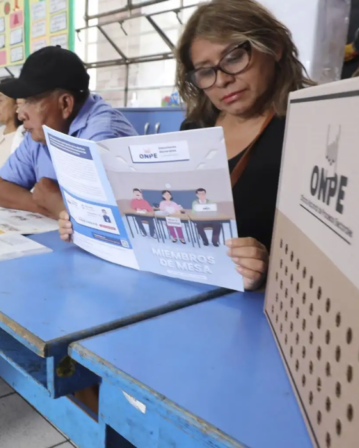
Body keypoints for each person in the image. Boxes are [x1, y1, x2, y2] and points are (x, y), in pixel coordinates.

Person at [60, 0, 313, 291]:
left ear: (274, 47)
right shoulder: (195, 130)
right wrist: (88, 225)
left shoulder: (306, 128)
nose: (223, 81)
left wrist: (270, 264)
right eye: (205, 71)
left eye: (233, 57)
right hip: (180, 290)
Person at [0, 46, 137, 218]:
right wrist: (49, 207)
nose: (21, 114)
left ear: (65, 104)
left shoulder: (102, 135)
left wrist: (55, 202)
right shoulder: (41, 131)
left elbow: (107, 219)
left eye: (29, 101)